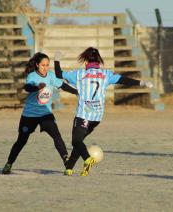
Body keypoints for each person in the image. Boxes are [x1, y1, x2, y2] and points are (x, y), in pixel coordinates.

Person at [54, 47, 153, 176]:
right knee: (80, 142)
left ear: (85, 62)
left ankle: (88, 159)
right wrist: (142, 83)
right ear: (98, 61)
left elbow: (58, 74)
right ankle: (69, 168)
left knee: (76, 141)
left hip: (83, 115)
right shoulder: (107, 74)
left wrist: (57, 59)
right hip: (97, 117)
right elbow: (124, 80)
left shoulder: (79, 74)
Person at [2, 52, 78, 174]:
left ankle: (66, 160)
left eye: (47, 65)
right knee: (21, 141)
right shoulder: (32, 76)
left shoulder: (51, 76)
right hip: (29, 115)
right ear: (37, 65)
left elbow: (63, 85)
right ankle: (9, 163)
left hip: (45, 114)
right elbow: (28, 87)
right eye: (43, 65)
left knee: (56, 135)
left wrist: (77, 92)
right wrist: (37, 87)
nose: (45, 67)